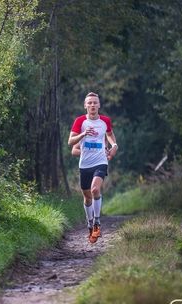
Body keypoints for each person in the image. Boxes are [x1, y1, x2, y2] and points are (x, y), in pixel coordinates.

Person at [68, 92, 117, 243]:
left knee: (95, 190)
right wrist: (83, 134)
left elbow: (110, 135)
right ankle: (89, 224)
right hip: (85, 164)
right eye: (89, 103)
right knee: (87, 197)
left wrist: (114, 145)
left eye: (95, 102)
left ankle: (97, 223)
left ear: (99, 105)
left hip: (100, 161)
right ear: (85, 106)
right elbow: (70, 142)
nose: (92, 105)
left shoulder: (105, 121)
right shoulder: (80, 121)